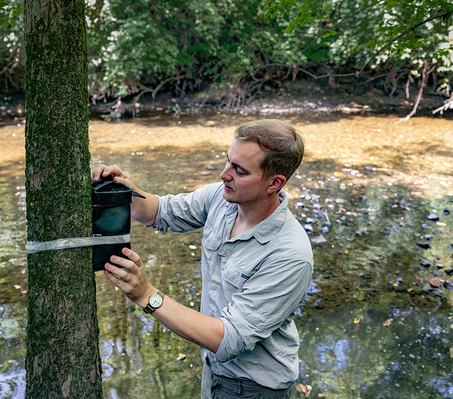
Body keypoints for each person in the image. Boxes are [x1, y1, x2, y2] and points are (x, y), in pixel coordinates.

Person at [92, 119, 313, 399]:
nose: (224, 174)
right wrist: (122, 189)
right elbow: (160, 212)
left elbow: (228, 339)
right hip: (213, 371)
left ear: (275, 183)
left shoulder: (290, 255)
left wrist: (146, 294)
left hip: (256, 388)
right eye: (227, 161)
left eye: (239, 170)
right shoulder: (222, 199)